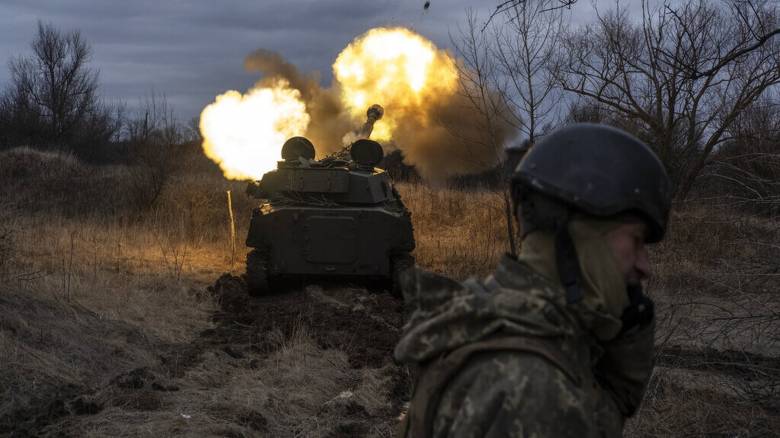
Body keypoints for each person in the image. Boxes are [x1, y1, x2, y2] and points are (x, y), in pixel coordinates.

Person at [395, 123, 672, 438]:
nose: (644, 266)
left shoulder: (490, 319)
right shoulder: (533, 393)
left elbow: (603, 413)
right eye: (635, 240)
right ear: (580, 238)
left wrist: (625, 340)